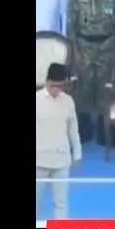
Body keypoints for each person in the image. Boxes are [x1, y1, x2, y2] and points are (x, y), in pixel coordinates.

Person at [67, 0, 115, 140]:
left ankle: (103, 131)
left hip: (107, 49)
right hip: (84, 48)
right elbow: (71, 28)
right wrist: (75, 51)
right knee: (83, 88)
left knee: (104, 88)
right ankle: (83, 130)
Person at [36, 63, 82, 220]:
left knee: (61, 202)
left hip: (61, 160)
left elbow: (73, 129)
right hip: (38, 160)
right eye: (54, 86)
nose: (57, 90)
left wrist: (77, 153)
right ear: (47, 82)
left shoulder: (68, 101)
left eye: (61, 86)